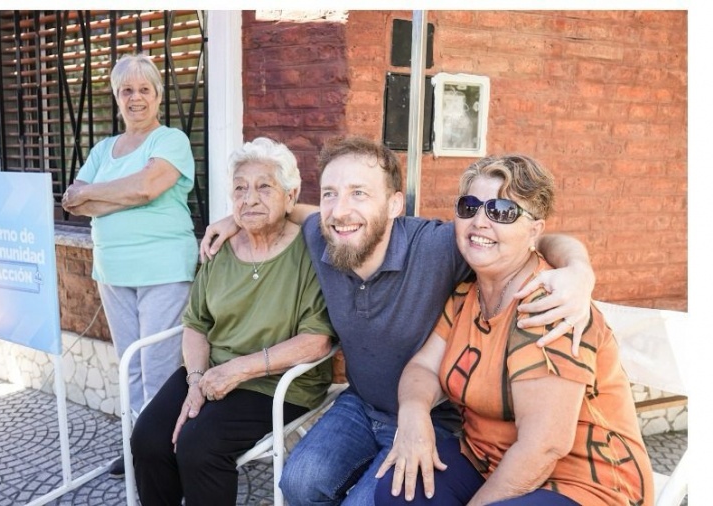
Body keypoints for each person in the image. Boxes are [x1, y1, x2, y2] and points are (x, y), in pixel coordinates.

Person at [200, 136, 596, 505]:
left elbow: (525, 238)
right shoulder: (326, 234)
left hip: (434, 416)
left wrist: (578, 269)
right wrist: (235, 220)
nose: (340, 210)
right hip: (362, 403)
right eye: (330, 194)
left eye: (359, 193)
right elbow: (295, 212)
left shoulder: (438, 247)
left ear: (394, 205)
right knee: (298, 482)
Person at [374, 154, 653, 505]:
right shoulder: (467, 294)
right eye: (470, 206)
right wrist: (414, 414)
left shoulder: (547, 305)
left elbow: (544, 446)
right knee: (402, 488)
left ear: (534, 230)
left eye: (502, 212)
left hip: (583, 481)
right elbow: (422, 367)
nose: (479, 222)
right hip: (488, 459)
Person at [129, 137, 336, 505]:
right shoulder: (219, 248)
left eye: (263, 187)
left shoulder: (310, 250)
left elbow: (317, 341)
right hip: (211, 371)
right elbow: (196, 322)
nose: (249, 198)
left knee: (198, 446)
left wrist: (239, 370)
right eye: (239, 189)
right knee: (147, 438)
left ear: (291, 196)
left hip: (277, 384)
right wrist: (194, 379)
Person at [60, 53, 197, 477]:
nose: (135, 98)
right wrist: (108, 194)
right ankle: (140, 447)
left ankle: (167, 453)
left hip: (164, 269)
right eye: (126, 91)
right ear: (116, 98)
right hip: (114, 271)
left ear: (157, 95)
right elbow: (71, 200)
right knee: (130, 368)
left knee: (157, 367)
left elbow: (145, 188)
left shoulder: (170, 140)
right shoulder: (105, 148)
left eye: (144, 89)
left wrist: (99, 196)